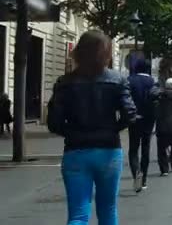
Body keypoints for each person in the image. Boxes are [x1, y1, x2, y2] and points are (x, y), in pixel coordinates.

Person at [47, 30, 137, 225]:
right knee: (108, 209)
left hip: (76, 151)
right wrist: (113, 129)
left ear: (79, 52)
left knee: (78, 214)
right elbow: (130, 114)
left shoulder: (65, 83)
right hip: (108, 150)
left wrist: (71, 133)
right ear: (106, 54)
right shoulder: (118, 80)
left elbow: (53, 122)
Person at [127, 59, 156, 193]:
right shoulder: (152, 81)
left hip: (134, 119)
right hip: (149, 119)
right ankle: (144, 179)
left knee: (133, 148)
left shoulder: (130, 80)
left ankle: (136, 175)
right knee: (146, 147)